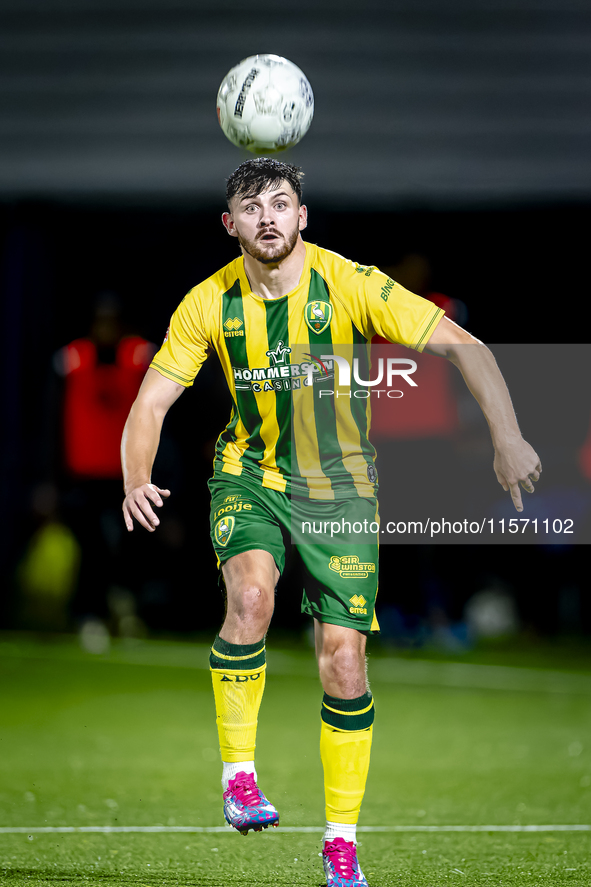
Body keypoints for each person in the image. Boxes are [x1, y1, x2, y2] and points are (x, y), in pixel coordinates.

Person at [121, 157, 541, 887]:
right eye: (252, 210)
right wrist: (135, 477)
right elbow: (151, 403)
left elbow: (464, 347)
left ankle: (339, 840)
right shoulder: (207, 301)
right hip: (248, 474)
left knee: (343, 661)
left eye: (281, 204)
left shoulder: (349, 283)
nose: (268, 219)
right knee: (250, 598)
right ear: (231, 224)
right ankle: (239, 775)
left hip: (342, 489)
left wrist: (507, 436)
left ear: (302, 215)